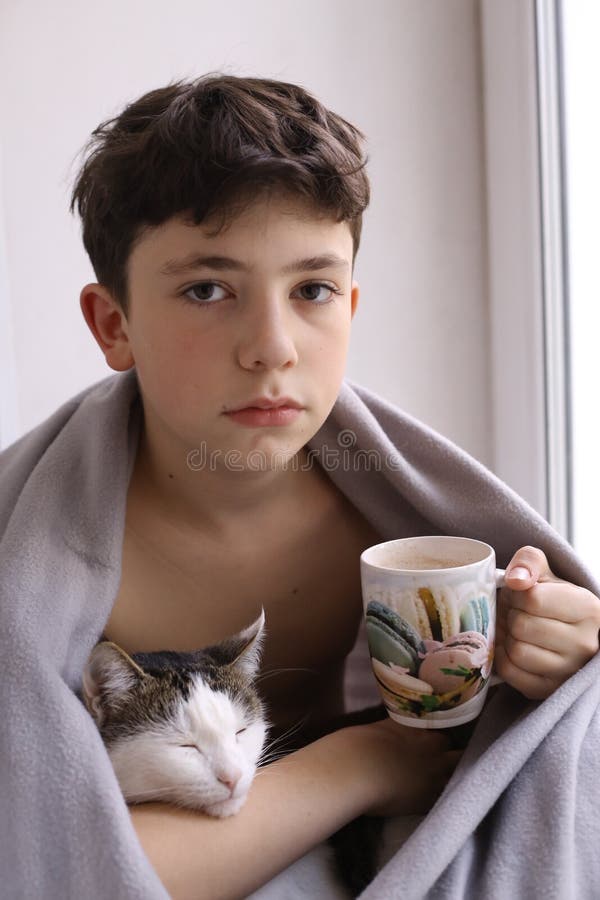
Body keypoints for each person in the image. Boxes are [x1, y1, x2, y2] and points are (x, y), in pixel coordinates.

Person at [66, 73, 600, 899]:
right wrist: (365, 764)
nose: (272, 346)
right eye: (207, 289)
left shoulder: (398, 514)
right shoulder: (58, 562)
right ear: (115, 324)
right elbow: (72, 857)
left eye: (311, 290)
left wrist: (556, 645)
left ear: (349, 306)